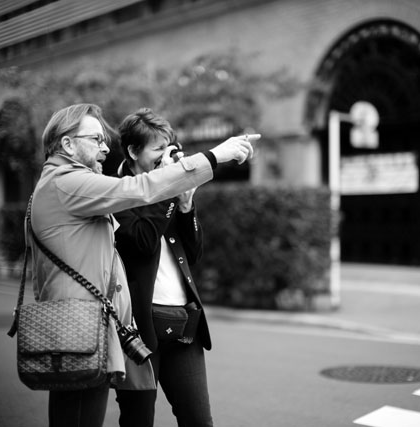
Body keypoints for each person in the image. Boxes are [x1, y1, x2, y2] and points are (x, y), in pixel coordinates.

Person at [28, 103, 254, 427]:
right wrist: (215, 155)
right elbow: (142, 206)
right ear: (67, 144)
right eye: (96, 138)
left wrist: (184, 203)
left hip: (104, 324)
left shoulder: (71, 184)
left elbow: (191, 250)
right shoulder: (72, 184)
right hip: (93, 325)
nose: (106, 147)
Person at [113, 108, 222, 427]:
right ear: (133, 151)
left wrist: (186, 206)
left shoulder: (171, 193)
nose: (166, 156)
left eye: (168, 147)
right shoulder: (114, 193)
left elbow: (194, 253)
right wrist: (169, 190)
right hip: (139, 331)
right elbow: (144, 241)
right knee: (138, 421)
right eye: (157, 149)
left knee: (199, 421)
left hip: (184, 325)